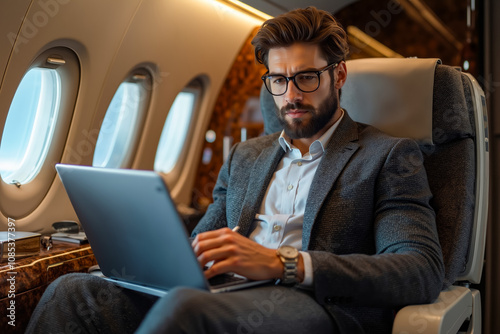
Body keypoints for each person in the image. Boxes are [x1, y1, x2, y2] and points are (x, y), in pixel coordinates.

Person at [26, 7, 444, 333]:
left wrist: (284, 263)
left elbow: (419, 269)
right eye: (278, 81)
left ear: (339, 75)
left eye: (307, 78)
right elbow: (203, 240)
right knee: (72, 292)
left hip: (317, 304)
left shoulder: (388, 156)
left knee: (189, 309)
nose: (291, 95)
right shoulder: (247, 156)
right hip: (224, 291)